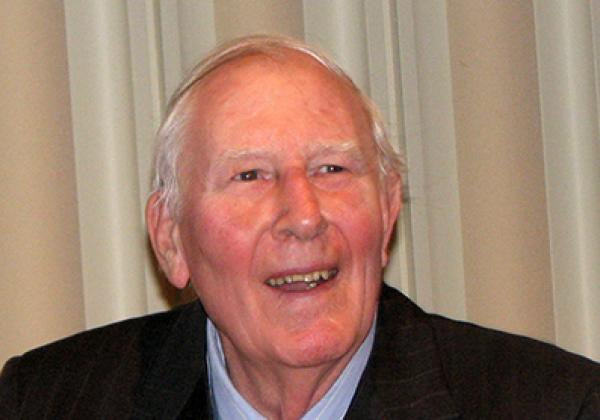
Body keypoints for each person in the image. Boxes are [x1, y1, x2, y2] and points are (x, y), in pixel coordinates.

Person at [1, 35, 599, 419]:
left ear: (389, 210)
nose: (305, 215)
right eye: (252, 176)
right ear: (171, 239)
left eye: (332, 168)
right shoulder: (46, 401)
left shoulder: (557, 405)